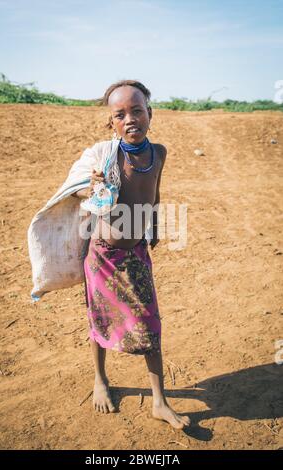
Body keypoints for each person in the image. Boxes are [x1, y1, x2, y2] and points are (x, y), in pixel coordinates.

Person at [73, 80, 190, 430]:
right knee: (100, 320)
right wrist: (92, 183)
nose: (130, 119)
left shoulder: (160, 153)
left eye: (136, 110)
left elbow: (154, 192)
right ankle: (100, 379)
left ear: (149, 114)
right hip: (103, 257)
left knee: (150, 323)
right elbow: (82, 183)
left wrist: (152, 226)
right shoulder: (107, 155)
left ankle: (159, 402)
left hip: (136, 253)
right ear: (112, 123)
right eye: (120, 114)